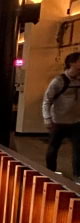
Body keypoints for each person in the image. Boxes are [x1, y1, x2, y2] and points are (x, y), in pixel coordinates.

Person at [43, 52, 80, 180]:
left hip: (76, 121)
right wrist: (47, 118)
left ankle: (77, 176)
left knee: (78, 150)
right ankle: (50, 172)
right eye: (79, 61)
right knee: (53, 148)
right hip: (58, 121)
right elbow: (47, 100)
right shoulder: (58, 81)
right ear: (71, 63)